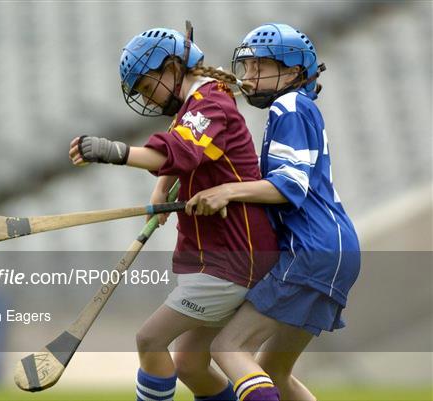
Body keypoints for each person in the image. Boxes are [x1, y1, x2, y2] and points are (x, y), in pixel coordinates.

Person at [69, 26, 279, 401]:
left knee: (150, 339)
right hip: (224, 255)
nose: (149, 99)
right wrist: (161, 187)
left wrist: (110, 151)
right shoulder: (198, 105)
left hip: (236, 256)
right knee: (190, 364)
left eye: (149, 87)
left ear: (173, 66)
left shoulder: (210, 104)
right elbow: (180, 155)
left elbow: (175, 152)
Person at [185, 23, 361, 401]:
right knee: (275, 373)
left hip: (310, 250)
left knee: (228, 348)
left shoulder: (290, 105)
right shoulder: (298, 108)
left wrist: (226, 191)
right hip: (335, 249)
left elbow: (291, 185)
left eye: (260, 66)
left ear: (294, 71)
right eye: (247, 67)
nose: (249, 76)